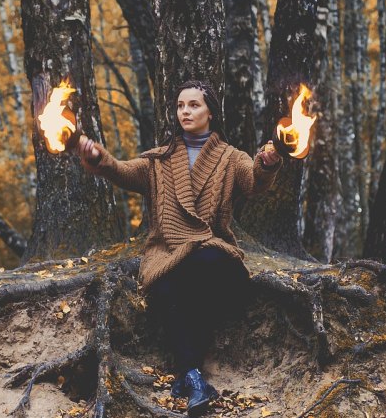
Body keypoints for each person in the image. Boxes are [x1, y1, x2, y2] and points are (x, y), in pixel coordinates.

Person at [75, 80, 281, 417]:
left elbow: (255, 182)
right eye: (181, 106)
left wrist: (268, 162)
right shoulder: (160, 160)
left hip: (212, 254)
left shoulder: (231, 158)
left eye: (194, 105)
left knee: (205, 262)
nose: (185, 111)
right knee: (170, 283)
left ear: (210, 112)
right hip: (167, 253)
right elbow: (124, 172)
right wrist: (99, 158)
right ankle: (194, 376)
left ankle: (190, 376)